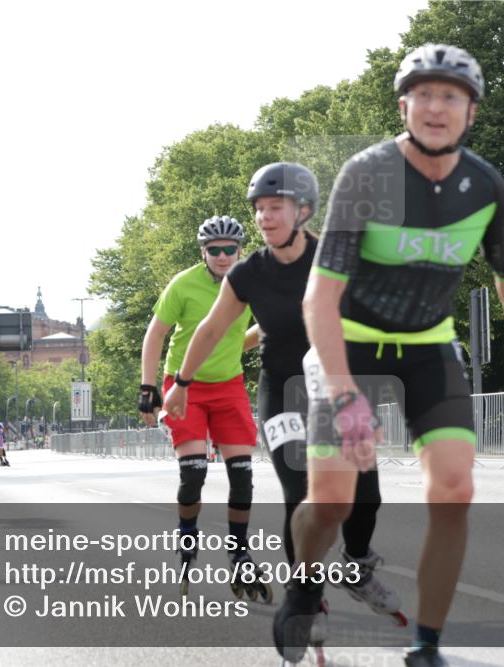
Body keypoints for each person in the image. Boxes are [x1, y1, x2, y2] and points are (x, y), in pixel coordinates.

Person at [278, 44, 504, 667]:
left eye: (451, 96)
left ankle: (426, 644)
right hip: (348, 343)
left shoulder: (483, 186)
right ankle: (303, 582)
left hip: (428, 347)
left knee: (455, 488)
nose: (436, 107)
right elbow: (320, 296)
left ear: (471, 112)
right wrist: (345, 392)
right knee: (332, 502)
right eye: (424, 95)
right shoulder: (368, 175)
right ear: (403, 105)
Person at [163, 163, 405, 648]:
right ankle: (306, 594)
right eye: (259, 209)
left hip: (338, 386)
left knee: (366, 493)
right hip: (283, 390)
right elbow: (212, 329)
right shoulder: (250, 272)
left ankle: (357, 566)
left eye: (275, 208)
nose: (265, 218)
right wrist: (182, 382)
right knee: (302, 489)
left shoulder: (334, 258)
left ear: (304, 210)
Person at [138, 215, 270, 601]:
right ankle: (187, 533)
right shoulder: (184, 284)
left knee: (242, 475)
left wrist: (237, 343)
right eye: (215, 250)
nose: (223, 256)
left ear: (241, 250)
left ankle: (239, 552)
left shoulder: (252, 281)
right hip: (183, 386)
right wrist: (148, 387)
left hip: (228, 385)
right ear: (203, 252)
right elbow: (155, 334)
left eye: (231, 249)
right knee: (194, 472)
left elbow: (250, 329)